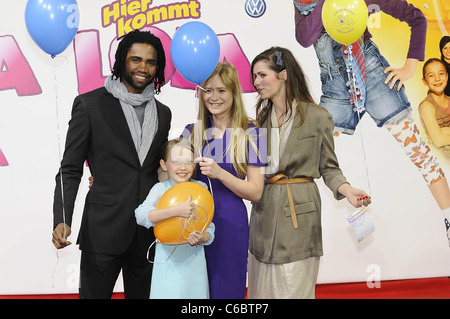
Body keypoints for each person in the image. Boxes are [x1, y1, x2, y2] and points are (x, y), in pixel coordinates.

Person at [294, 0, 450, 247]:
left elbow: (417, 17)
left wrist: (410, 65)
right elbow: (304, 37)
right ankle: (301, 229)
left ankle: (449, 220)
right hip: (337, 89)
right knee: (308, 154)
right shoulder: (305, 3)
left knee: (419, 153)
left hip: (376, 77)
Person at [51, 29, 172, 299]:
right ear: (121, 61)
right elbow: (70, 169)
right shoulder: (90, 105)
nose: (143, 68)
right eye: (136, 60)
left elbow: (157, 170)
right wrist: (62, 218)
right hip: (103, 230)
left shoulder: (163, 113)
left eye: (151, 62)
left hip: (149, 232)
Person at [247, 46, 371, 299]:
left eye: (262, 75)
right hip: (264, 212)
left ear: (283, 75)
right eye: (255, 76)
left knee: (294, 288)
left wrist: (346, 190)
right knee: (262, 289)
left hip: (299, 215)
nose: (256, 82)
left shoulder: (318, 116)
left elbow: (329, 167)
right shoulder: (258, 122)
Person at [180, 62, 266, 299]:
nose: (214, 97)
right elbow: (172, 178)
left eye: (221, 90)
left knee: (226, 292)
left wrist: (220, 173)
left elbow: (256, 192)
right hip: (193, 227)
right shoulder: (191, 132)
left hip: (230, 227)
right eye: (208, 90)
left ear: (233, 93)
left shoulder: (253, 132)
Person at [134, 137, 215, 299]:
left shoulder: (201, 188)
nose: (183, 167)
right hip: (167, 267)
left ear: (194, 164)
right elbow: (140, 215)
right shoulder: (160, 189)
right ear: (164, 165)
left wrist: (202, 237)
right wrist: (175, 211)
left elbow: (209, 227)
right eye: (176, 161)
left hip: (195, 265)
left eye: (188, 162)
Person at [419, 58, 450, 148]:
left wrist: (443, 131)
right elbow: (438, 141)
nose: (437, 79)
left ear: (447, 76)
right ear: (424, 81)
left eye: (441, 74)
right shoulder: (426, 106)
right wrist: (440, 133)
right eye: (431, 75)